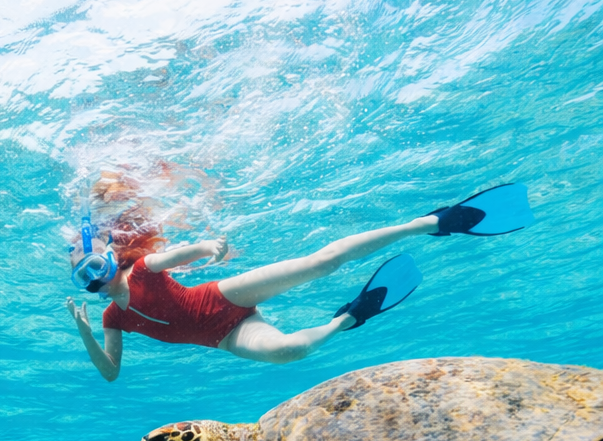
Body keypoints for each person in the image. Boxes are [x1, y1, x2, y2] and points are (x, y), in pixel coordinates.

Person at [66, 183, 533, 382]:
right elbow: (111, 372)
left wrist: (211, 249)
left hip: (225, 296)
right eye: (82, 274)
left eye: (93, 263)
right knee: (291, 352)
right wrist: (87, 333)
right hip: (226, 337)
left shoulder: (145, 266)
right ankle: (350, 317)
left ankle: (432, 222)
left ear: (108, 254)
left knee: (320, 263)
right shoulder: (112, 317)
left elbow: (188, 252)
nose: (93, 275)